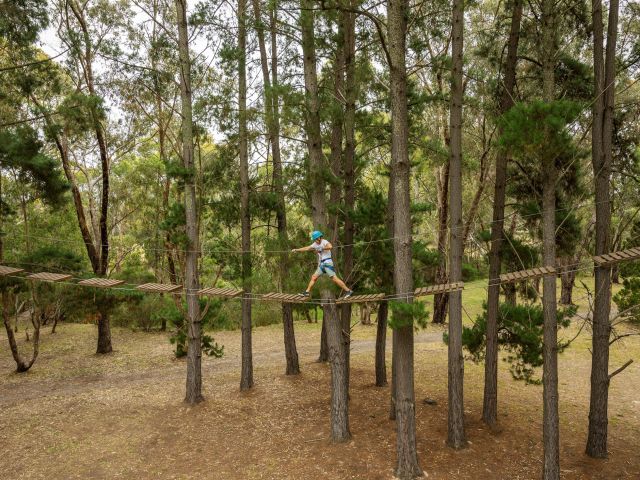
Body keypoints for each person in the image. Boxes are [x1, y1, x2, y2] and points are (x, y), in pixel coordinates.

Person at [292, 230, 354, 298]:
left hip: (327, 263)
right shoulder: (315, 244)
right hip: (322, 264)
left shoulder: (324, 241)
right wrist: (296, 250)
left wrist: (322, 248)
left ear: (318, 238)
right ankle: (307, 292)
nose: (314, 241)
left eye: (315, 239)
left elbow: (330, 246)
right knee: (314, 277)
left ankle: (348, 291)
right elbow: (306, 248)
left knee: (334, 279)